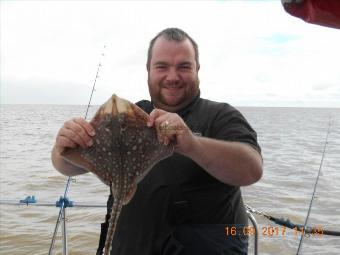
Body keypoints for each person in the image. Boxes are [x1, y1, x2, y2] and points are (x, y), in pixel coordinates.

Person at [51, 27, 263, 255]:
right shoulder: (132, 116)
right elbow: (66, 165)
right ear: (148, 70)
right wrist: (64, 146)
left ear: (197, 69)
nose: (172, 77)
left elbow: (252, 170)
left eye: (184, 66)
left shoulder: (221, 116)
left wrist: (193, 145)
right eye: (162, 66)